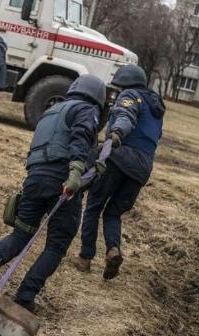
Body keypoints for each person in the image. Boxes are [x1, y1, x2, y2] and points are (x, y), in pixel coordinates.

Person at [0, 74, 106, 312]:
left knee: (21, 234)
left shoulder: (52, 112)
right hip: (62, 181)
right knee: (57, 244)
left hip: (34, 178)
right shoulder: (87, 110)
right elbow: (80, 138)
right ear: (99, 97)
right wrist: (77, 170)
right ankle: (25, 296)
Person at [70, 64, 165, 280]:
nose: (116, 93)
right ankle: (113, 250)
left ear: (125, 85)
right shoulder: (156, 107)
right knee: (113, 213)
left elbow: (125, 115)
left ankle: (85, 258)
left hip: (120, 157)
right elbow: (155, 136)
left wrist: (116, 133)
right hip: (142, 168)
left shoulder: (130, 95)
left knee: (94, 206)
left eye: (118, 88)